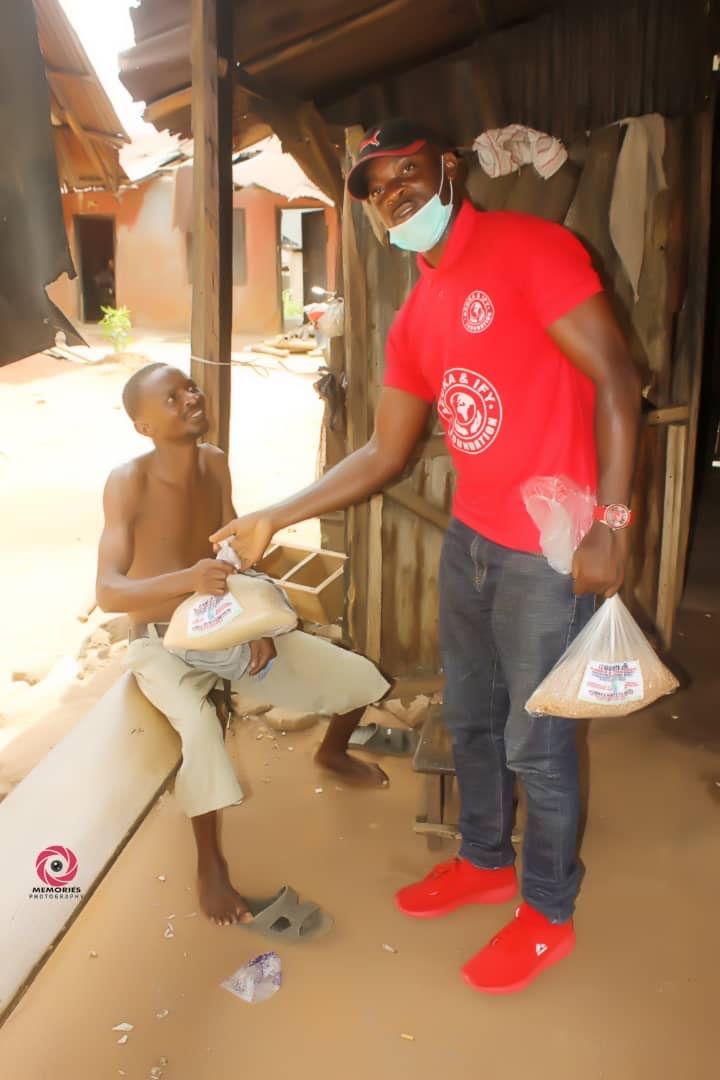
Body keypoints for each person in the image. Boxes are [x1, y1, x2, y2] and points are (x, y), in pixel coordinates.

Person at [211, 119, 642, 991]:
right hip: (474, 541)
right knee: (474, 719)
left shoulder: (532, 248)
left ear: (448, 169)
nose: (393, 191)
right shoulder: (418, 311)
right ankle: (484, 861)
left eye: (406, 171)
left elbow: (618, 380)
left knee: (540, 743)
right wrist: (275, 514)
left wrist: (613, 520)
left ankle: (548, 910)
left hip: (547, 552)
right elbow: (382, 454)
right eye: (375, 186)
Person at [95, 362, 389, 926]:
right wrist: (188, 581)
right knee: (201, 730)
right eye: (171, 396)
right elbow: (109, 592)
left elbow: (232, 554)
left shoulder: (215, 463)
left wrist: (255, 622)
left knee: (355, 678)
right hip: (160, 644)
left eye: (190, 387)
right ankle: (210, 864)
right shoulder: (127, 480)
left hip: (225, 628)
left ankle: (331, 753)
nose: (189, 397)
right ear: (144, 426)